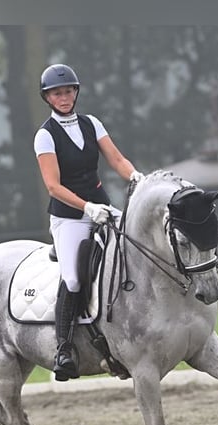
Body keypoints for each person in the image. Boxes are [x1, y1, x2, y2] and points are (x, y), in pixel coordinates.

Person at [34, 63, 143, 381]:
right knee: (73, 278)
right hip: (69, 218)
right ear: (48, 98)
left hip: (103, 207)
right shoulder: (45, 136)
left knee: (134, 250)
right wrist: (87, 208)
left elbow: (117, 159)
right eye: (57, 93)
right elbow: (53, 186)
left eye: (68, 91)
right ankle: (64, 348)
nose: (64, 97)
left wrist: (136, 177)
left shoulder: (91, 123)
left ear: (76, 92)